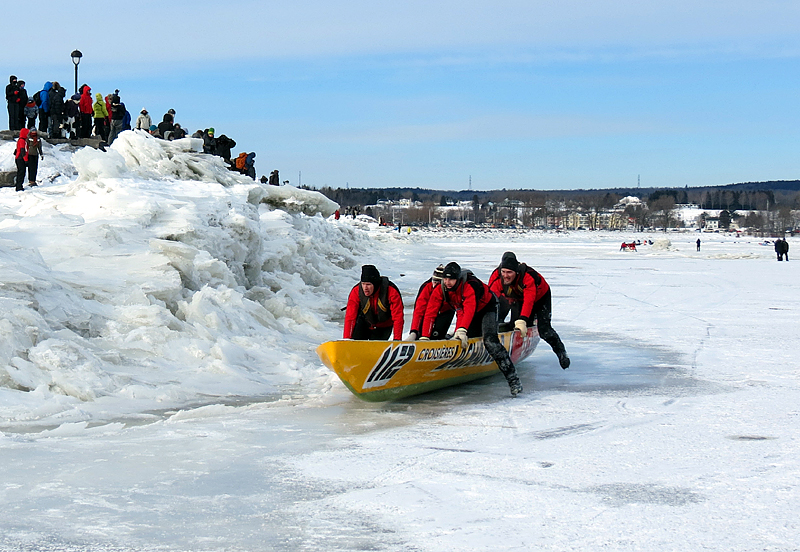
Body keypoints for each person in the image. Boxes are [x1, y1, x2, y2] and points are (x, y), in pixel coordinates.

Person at [421, 262, 522, 396]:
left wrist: (462, 330)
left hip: (487, 307)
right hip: (468, 309)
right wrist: (424, 337)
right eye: (445, 279)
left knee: (490, 341)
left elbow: (470, 309)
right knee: (465, 338)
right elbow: (430, 313)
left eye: (451, 279)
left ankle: (513, 380)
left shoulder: (470, 285)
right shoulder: (441, 288)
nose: (447, 282)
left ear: (458, 279)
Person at [488, 251, 570, 369]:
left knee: (544, 329)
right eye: (504, 272)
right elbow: (490, 299)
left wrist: (523, 319)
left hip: (539, 297)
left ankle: (561, 353)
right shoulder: (496, 277)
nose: (506, 275)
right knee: (510, 323)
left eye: (509, 272)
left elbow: (529, 300)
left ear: (516, 272)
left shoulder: (528, 276)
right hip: (516, 297)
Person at [343, 265, 404, 341]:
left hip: (383, 326)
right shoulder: (356, 291)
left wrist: (397, 340)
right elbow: (350, 317)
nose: (365, 288)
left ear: (375, 284)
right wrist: (346, 339)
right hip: (364, 323)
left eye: (368, 284)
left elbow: (398, 318)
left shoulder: (391, 291)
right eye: (363, 284)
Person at [407, 264, 454, 341]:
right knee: (420, 333)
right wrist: (414, 331)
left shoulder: (450, 289)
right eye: (434, 282)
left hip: (445, 312)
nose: (435, 285)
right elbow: (419, 311)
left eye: (438, 283)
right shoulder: (426, 288)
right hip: (427, 312)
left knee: (437, 335)